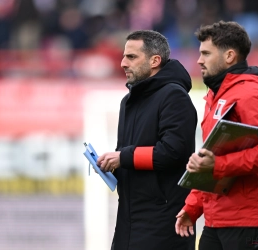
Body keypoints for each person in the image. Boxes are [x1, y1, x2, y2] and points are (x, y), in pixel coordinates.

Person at [175, 21, 258, 250]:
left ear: (230, 56)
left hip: (250, 218)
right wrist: (193, 206)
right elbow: (211, 159)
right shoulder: (215, 96)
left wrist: (217, 164)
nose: (199, 60)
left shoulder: (251, 93)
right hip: (218, 219)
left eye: (206, 53)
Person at [97, 30, 198, 250]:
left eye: (131, 57)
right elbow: (129, 157)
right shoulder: (128, 101)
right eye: (124, 56)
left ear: (155, 61)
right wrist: (110, 165)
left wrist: (123, 157)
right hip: (128, 221)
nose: (123, 63)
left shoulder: (174, 96)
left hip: (163, 224)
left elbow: (172, 152)